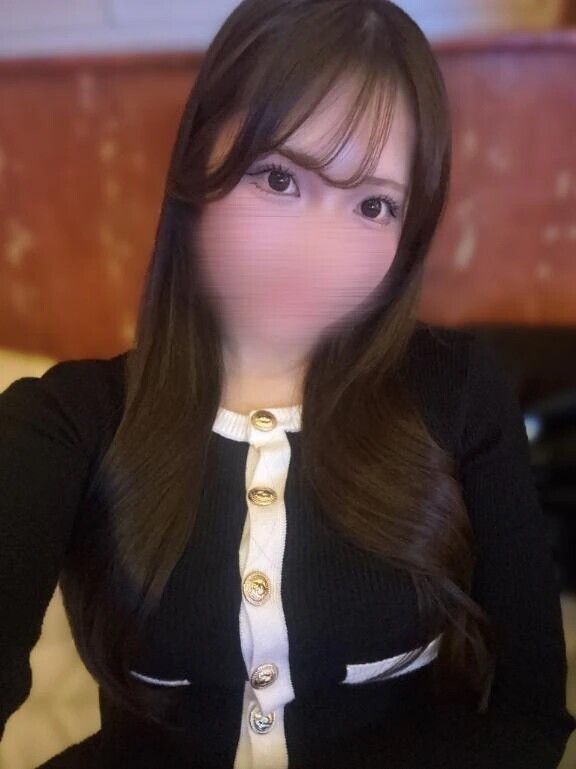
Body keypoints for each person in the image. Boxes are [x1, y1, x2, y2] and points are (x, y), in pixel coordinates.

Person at [1, 1, 574, 767]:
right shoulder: (70, 420)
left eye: (373, 205)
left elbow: (528, 714)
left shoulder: (458, 390)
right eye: (278, 178)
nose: (318, 253)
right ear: (197, 170)